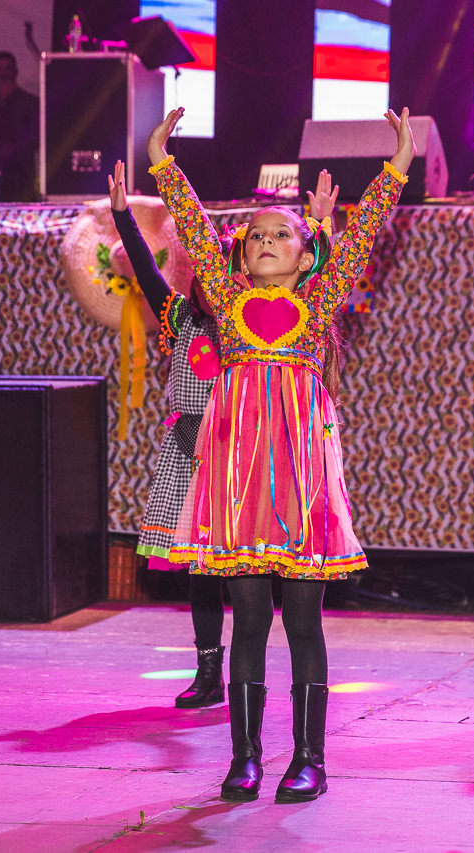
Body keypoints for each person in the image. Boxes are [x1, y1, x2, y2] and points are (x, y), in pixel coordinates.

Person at [147, 106, 413, 803]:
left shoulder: (319, 304)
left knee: (302, 622)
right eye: (256, 235)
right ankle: (244, 757)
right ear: (238, 258)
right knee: (249, 623)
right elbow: (195, 229)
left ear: (306, 255)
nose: (267, 240)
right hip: (236, 489)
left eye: (282, 234)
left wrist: (397, 166)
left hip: (301, 489)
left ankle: (310, 759)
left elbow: (362, 236)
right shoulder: (226, 299)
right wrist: (163, 163)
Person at [109, 161, 342, 710]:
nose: (210, 274)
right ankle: (209, 666)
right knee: (202, 567)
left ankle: (283, 725)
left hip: (265, 453)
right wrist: (123, 217)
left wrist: (323, 229)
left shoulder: (271, 320)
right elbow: (147, 269)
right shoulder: (182, 319)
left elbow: (319, 278)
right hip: (198, 449)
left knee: (271, 595)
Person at [0, 51, 39, 202]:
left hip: (21, 176)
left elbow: (35, 138)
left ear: (15, 71)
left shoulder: (29, 102)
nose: (4, 73)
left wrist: (12, 150)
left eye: (8, 68)